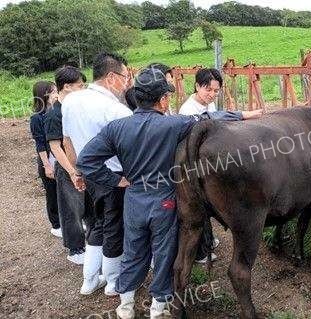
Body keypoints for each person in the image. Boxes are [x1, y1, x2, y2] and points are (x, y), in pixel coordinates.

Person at [76, 67, 263, 319]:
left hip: (133, 197)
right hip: (163, 198)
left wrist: (116, 180)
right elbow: (211, 119)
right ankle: (158, 306)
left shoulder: (116, 128)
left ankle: (126, 305)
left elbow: (86, 160)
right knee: (163, 251)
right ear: (163, 99)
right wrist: (243, 115)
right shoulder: (174, 124)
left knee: (133, 248)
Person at [62, 52, 133, 296]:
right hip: (114, 177)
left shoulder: (71, 100)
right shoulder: (116, 110)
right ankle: (113, 282)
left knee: (96, 223)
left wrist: (77, 172)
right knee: (114, 226)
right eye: (125, 77)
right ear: (112, 77)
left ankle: (90, 279)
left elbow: (67, 140)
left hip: (88, 176)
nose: (127, 83)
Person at [178, 68, 224, 263]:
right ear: (197, 86)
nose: (212, 95)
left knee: (207, 205)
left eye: (216, 91)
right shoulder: (187, 111)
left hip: (208, 162)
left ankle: (207, 242)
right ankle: (200, 252)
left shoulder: (209, 107)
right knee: (197, 206)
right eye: (208, 90)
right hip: (193, 164)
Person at [44, 66, 88, 265]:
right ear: (67, 87)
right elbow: (56, 146)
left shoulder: (76, 108)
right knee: (71, 208)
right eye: (80, 85)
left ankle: (89, 242)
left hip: (83, 165)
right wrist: (71, 171)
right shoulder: (55, 114)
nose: (83, 89)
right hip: (68, 168)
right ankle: (75, 249)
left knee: (86, 206)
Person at [30, 81, 61, 238]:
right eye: (52, 91)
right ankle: (56, 224)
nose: (56, 94)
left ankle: (68, 220)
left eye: (56, 90)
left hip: (60, 156)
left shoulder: (57, 112)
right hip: (48, 159)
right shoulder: (37, 118)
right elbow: (40, 144)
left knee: (64, 191)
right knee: (52, 192)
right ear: (44, 94)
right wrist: (47, 166)